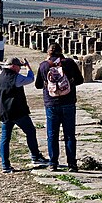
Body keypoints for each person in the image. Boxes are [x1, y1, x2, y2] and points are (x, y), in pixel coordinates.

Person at [0, 57, 49, 173]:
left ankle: (5, 165)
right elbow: (30, 79)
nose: (19, 69)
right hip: (18, 112)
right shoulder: (16, 77)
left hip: (4, 112)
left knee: (5, 139)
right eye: (19, 67)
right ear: (13, 66)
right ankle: (35, 156)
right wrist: (28, 67)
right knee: (30, 132)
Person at [35, 43, 84, 172]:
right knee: (69, 135)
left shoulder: (44, 65)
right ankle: (72, 164)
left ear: (48, 52)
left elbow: (38, 85)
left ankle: (53, 163)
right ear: (61, 51)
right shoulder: (69, 63)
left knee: (52, 135)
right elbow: (80, 80)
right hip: (68, 102)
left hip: (51, 104)